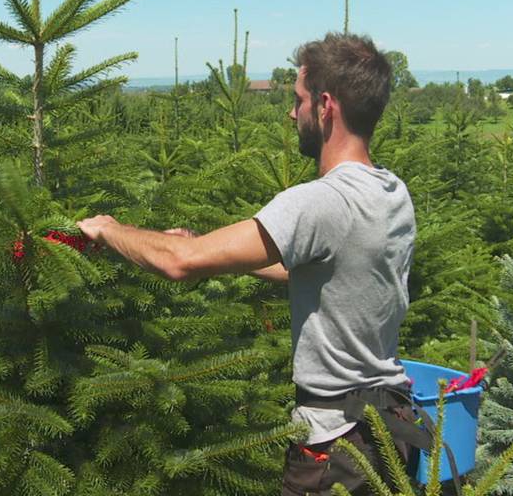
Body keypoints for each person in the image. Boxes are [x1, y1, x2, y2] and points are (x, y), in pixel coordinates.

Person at [78, 33, 417, 495]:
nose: (291, 113)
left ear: (325, 106)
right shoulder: (391, 191)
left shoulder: (320, 202)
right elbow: (323, 268)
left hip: (337, 443)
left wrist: (109, 230)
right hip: (391, 427)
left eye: (297, 101)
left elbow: (180, 262)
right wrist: (216, 252)